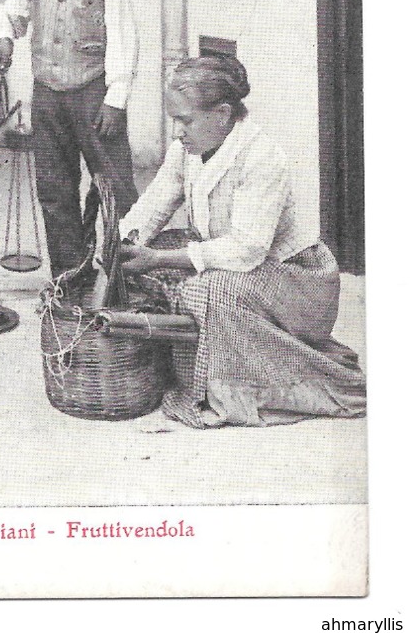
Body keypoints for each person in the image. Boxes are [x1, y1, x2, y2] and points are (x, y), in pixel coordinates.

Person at [119, 54, 366, 429]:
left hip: (297, 283)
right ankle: (212, 364)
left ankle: (235, 384)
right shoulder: (185, 150)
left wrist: (157, 259)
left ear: (222, 114)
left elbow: (247, 249)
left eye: (185, 121)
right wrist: (120, 242)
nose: (177, 132)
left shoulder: (261, 157)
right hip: (249, 269)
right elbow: (154, 205)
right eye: (175, 121)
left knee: (205, 290)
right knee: (174, 272)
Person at [0, 0, 139, 278]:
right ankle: (69, 276)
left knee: (115, 186)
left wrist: (116, 99)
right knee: (55, 189)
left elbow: (125, 36)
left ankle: (130, 273)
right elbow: (10, 13)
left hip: (94, 95)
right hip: (48, 97)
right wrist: (6, 38)